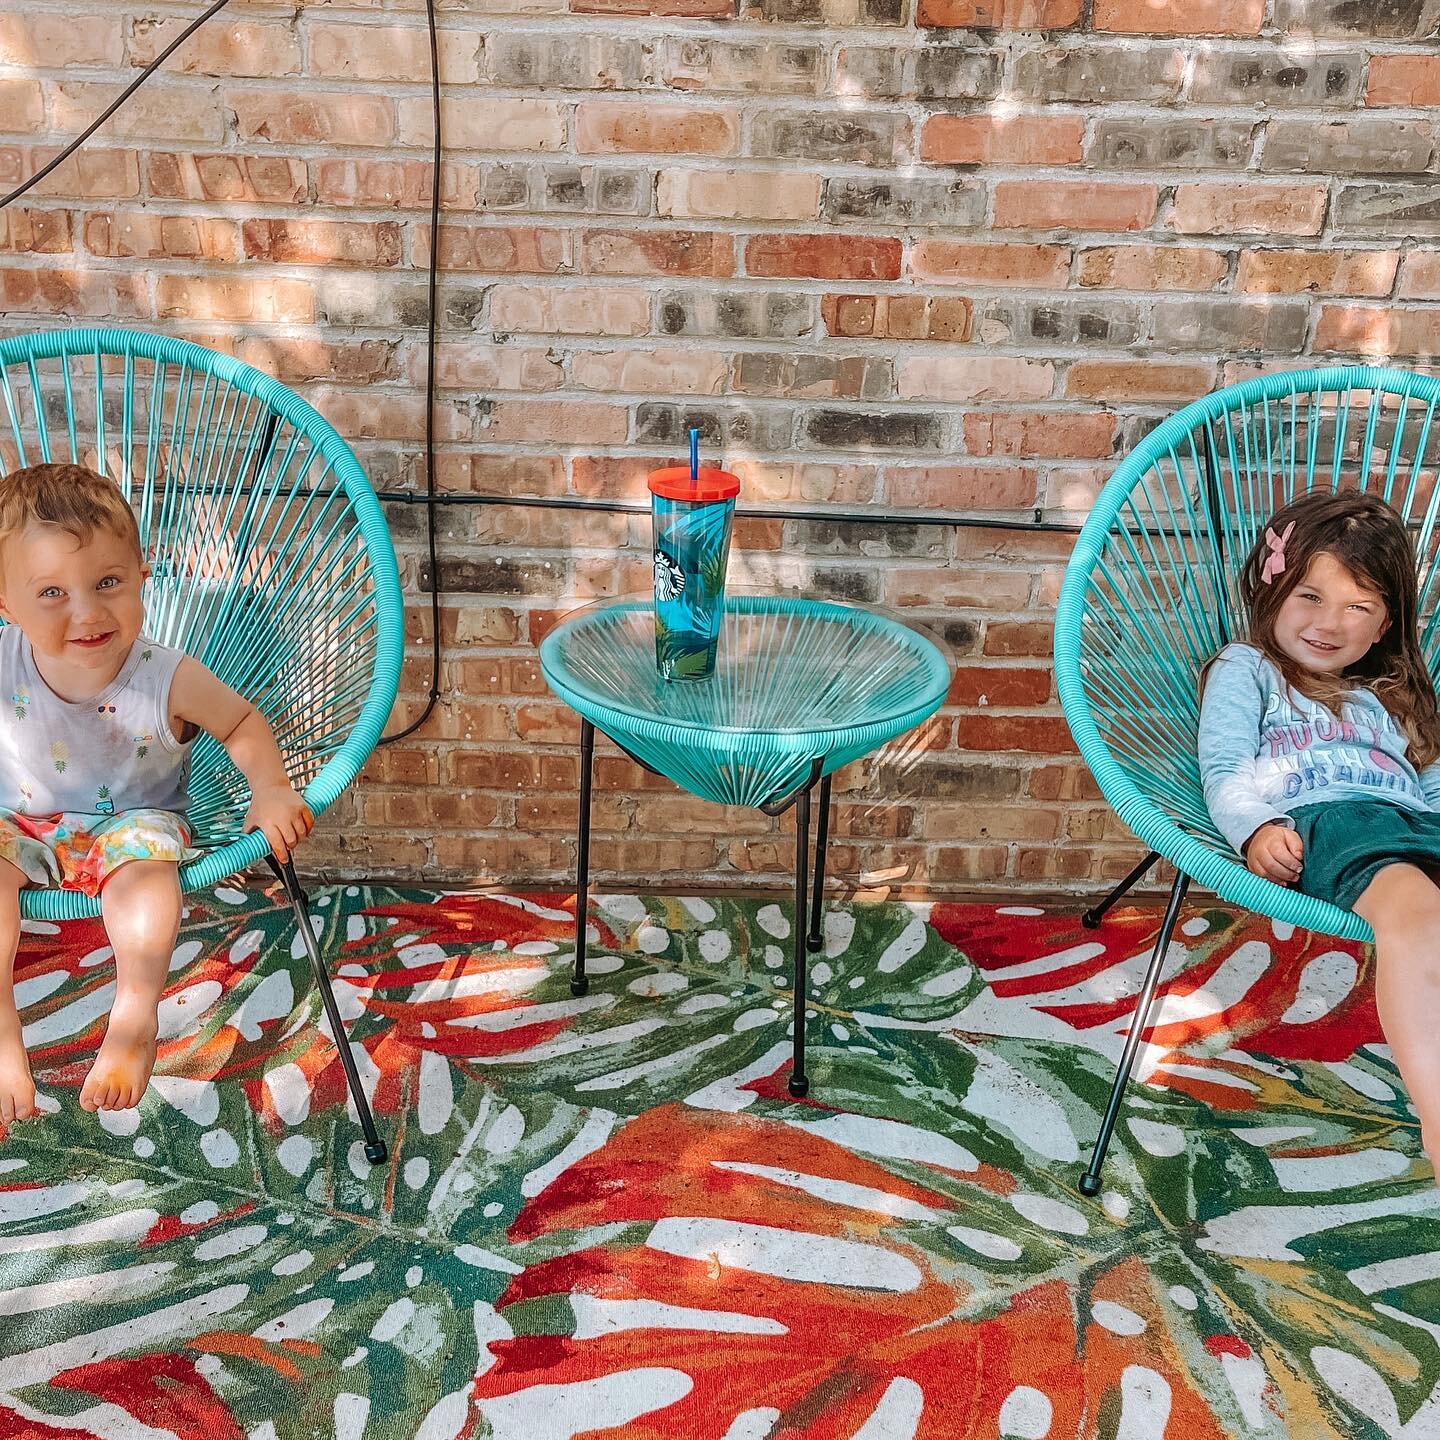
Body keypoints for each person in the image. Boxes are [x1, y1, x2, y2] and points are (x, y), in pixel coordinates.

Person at [0, 463, 314, 1126]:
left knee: (147, 873)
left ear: (144, 577)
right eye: (52, 592)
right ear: (6, 605)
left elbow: (241, 722)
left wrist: (272, 787)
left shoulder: (166, 676)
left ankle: (135, 1012)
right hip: (18, 824)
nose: (87, 612)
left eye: (108, 582)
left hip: (133, 826)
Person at [1200, 488, 1440, 1177]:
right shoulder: (1249, 669)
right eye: (1310, 596)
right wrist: (1256, 828)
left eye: (1357, 606)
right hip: (1331, 820)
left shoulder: (1391, 692)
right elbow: (1225, 765)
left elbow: (1428, 783)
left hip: (1412, 823)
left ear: (1384, 621)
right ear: (1274, 589)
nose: (1329, 623)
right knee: (1416, 914)